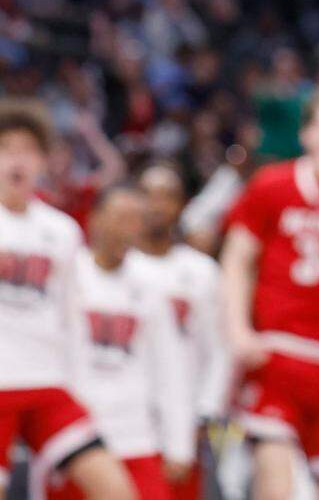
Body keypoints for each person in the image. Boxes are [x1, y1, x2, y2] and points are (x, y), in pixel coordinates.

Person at [220, 85, 319, 500]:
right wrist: (238, 331)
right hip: (277, 355)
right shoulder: (271, 185)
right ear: (306, 134)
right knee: (275, 483)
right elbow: (236, 260)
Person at [0, 100, 134, 500]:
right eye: (6, 148)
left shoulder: (62, 230)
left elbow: (73, 316)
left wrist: (81, 386)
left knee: (115, 489)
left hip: (47, 380)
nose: (16, 159)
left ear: (43, 161)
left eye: (27, 150)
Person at [53, 184, 196, 500]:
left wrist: (178, 444)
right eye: (121, 218)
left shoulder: (153, 284)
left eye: (136, 220)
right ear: (95, 219)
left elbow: (171, 366)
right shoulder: (67, 273)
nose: (128, 229)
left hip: (136, 436)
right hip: (75, 435)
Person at [135, 163, 232, 500]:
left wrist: (206, 411)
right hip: (127, 416)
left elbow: (219, 349)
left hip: (183, 415)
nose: (157, 205)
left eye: (167, 197)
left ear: (181, 205)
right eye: (147, 195)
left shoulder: (201, 271)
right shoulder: (119, 268)